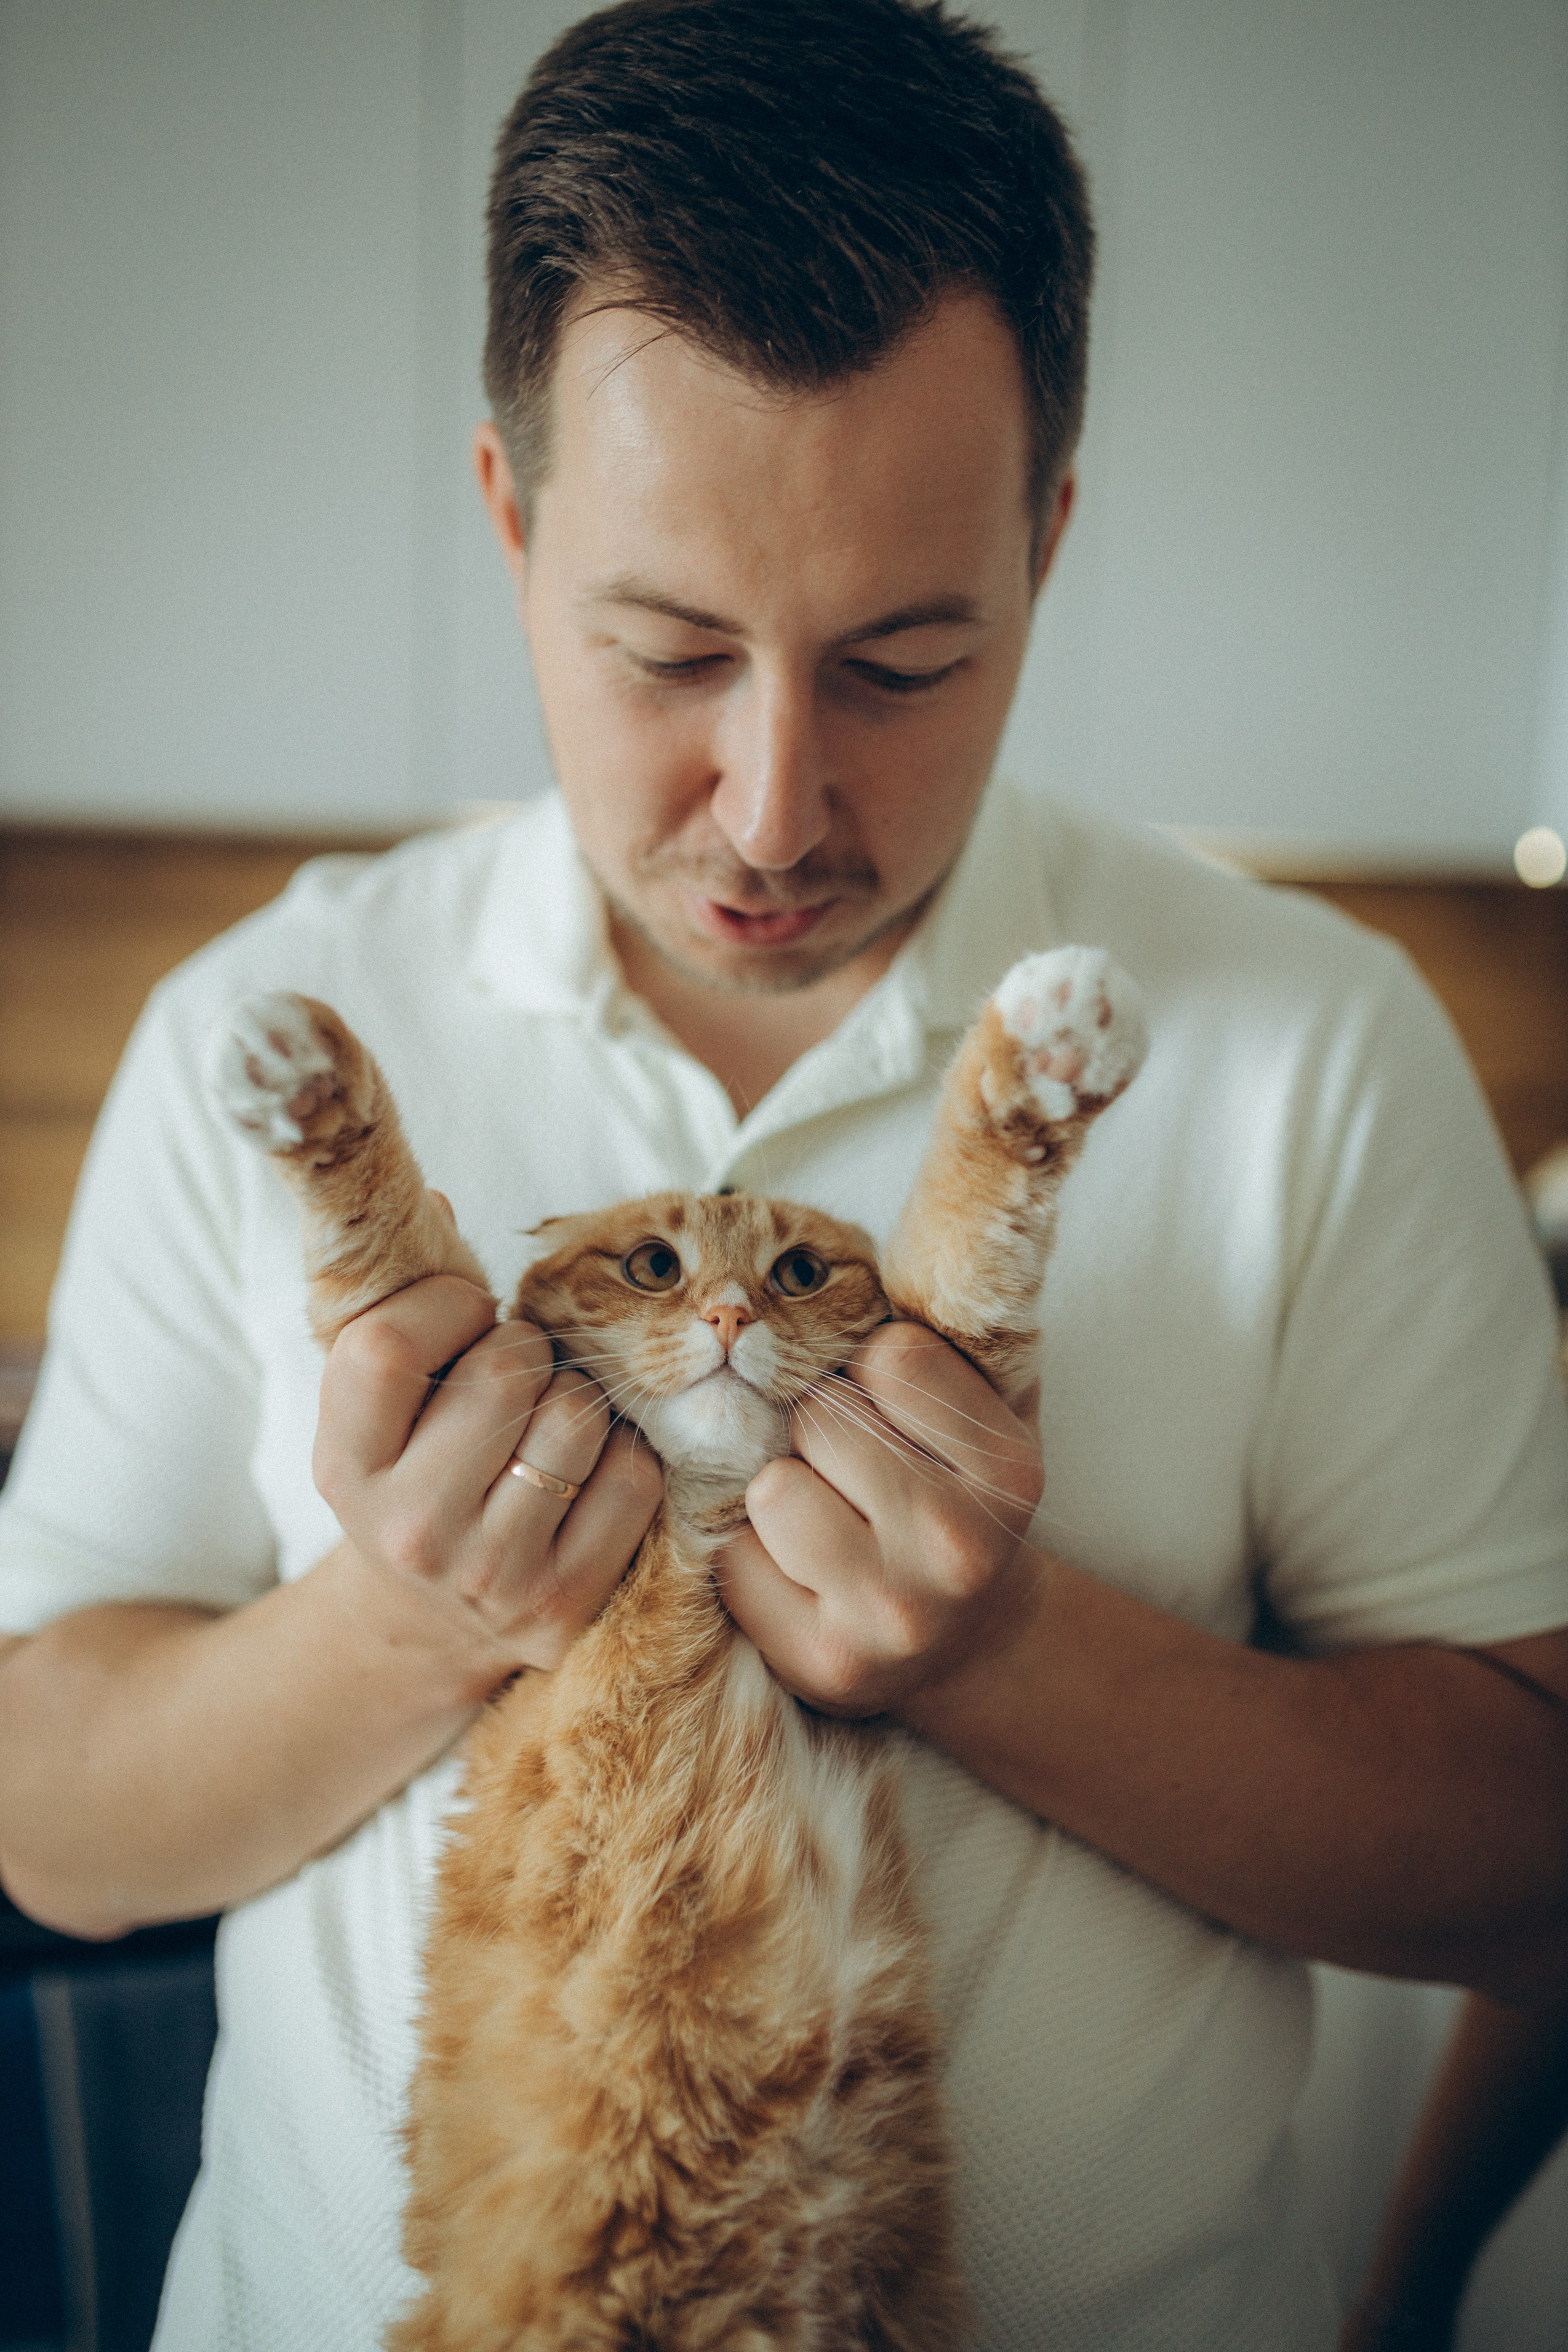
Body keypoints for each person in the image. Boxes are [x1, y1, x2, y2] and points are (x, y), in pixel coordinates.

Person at [1, 2, 1566, 2345]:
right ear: (511, 522)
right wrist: (404, 1620)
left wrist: (1007, 1652)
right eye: (668, 653)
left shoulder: (1313, 1046)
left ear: (1048, 541)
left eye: (905, 663)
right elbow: (44, 1809)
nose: (770, 809)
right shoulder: (269, 1032)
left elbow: (1537, 1860)